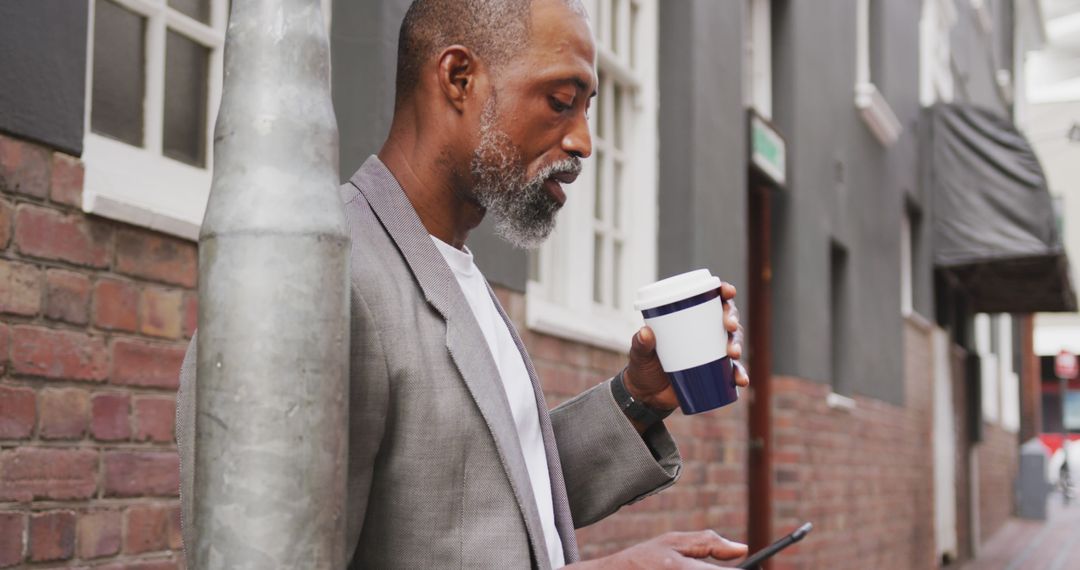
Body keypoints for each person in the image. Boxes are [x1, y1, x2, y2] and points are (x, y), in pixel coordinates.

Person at [178, 0, 751, 567]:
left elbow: (484, 505)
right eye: (560, 102)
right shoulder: (326, 281)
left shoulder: (454, 268)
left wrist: (636, 399)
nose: (584, 142)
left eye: (586, 110)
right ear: (459, 78)